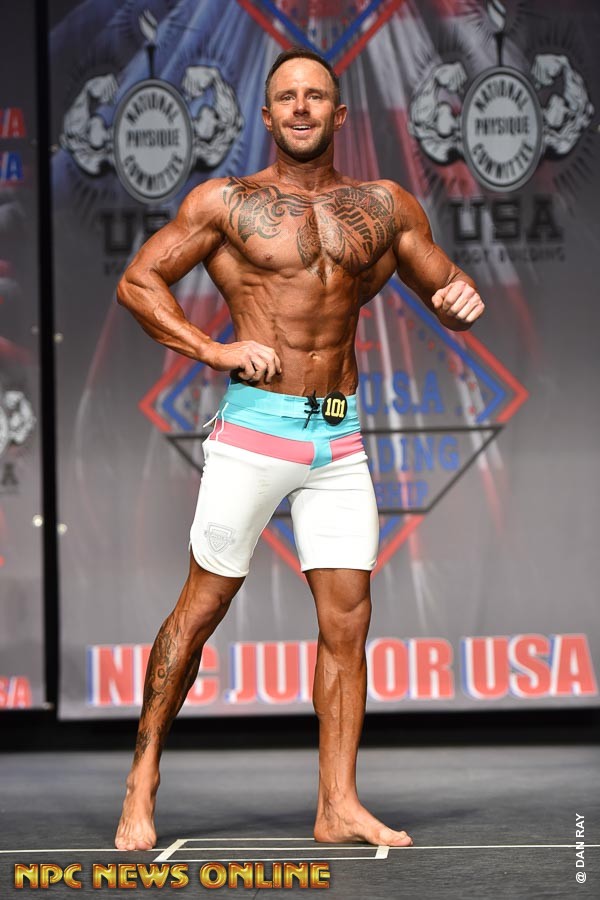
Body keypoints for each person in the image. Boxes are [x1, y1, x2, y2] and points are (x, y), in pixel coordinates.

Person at [114, 47, 485, 852]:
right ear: (268, 113)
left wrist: (459, 298)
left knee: (347, 622)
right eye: (287, 97)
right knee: (201, 608)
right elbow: (139, 281)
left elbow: (442, 283)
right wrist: (212, 349)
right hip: (255, 433)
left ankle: (338, 804)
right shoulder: (225, 202)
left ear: (339, 113)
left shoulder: (383, 205)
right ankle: (141, 780)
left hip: (338, 440)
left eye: (316, 96)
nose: (302, 108)